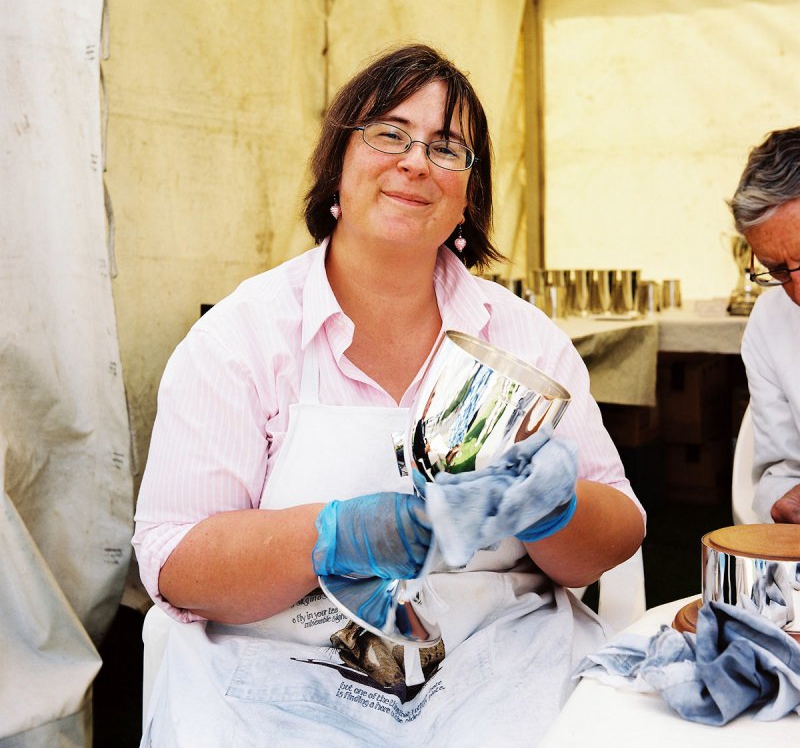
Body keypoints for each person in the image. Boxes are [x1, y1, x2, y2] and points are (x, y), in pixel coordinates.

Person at [133, 44, 646, 746]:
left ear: (469, 196)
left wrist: (552, 507)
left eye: (447, 148)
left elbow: (615, 535)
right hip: (283, 678)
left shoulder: (527, 341)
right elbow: (174, 561)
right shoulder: (242, 339)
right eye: (389, 134)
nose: (414, 161)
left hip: (501, 668)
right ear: (337, 166)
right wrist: (327, 536)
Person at [729, 126, 800, 525]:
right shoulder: (770, 321)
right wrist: (783, 499)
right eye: (777, 270)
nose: (798, 291)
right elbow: (777, 473)